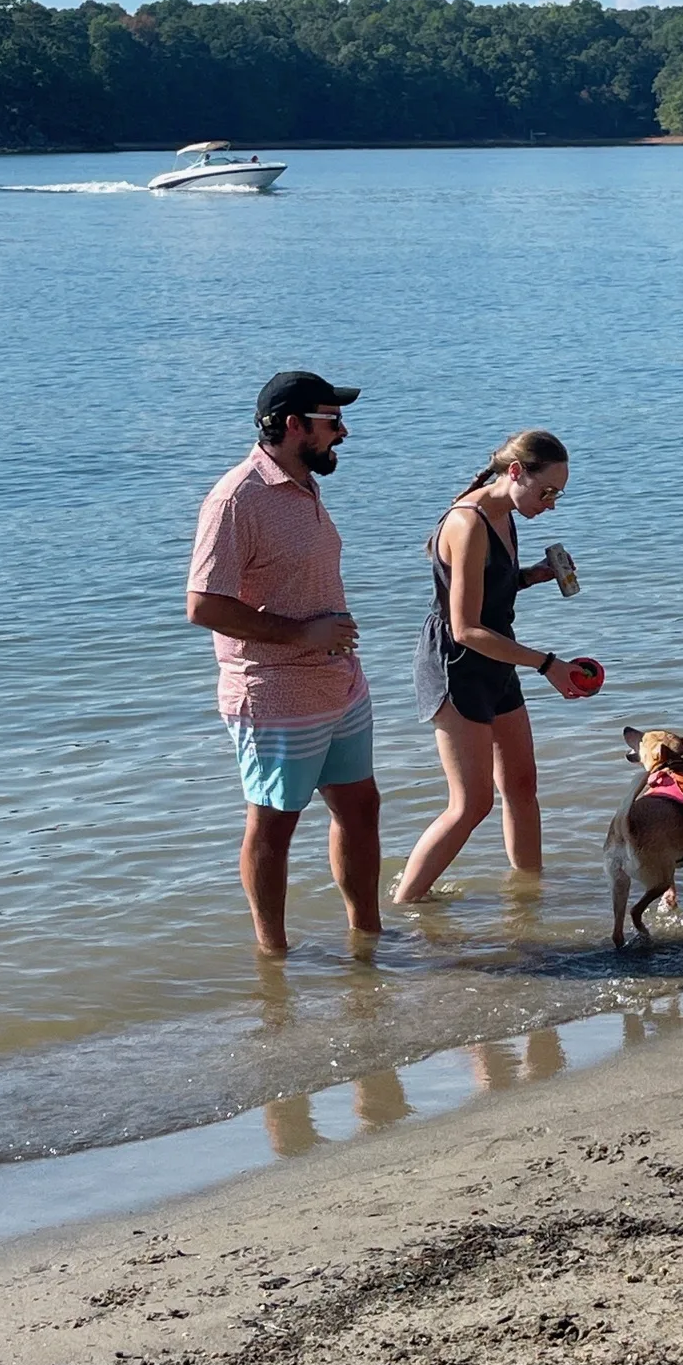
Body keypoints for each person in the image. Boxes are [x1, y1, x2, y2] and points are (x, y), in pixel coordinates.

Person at [186, 371, 381, 956]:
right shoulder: (236, 498)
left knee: (361, 807)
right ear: (293, 425)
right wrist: (301, 633)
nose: (343, 432)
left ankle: (367, 938)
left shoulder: (303, 484)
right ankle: (274, 957)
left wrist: (322, 638)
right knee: (274, 825)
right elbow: (202, 605)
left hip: (338, 683)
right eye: (331, 421)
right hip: (273, 693)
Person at [393, 430, 591, 903]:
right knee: (472, 803)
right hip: (457, 664)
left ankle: (529, 899)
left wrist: (530, 576)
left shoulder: (506, 513)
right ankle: (404, 907)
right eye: (547, 492)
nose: (552, 504)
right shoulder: (468, 523)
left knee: (522, 784)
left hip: (496, 655)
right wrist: (547, 664)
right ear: (517, 473)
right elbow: (464, 627)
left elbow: (487, 593)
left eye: (559, 494)